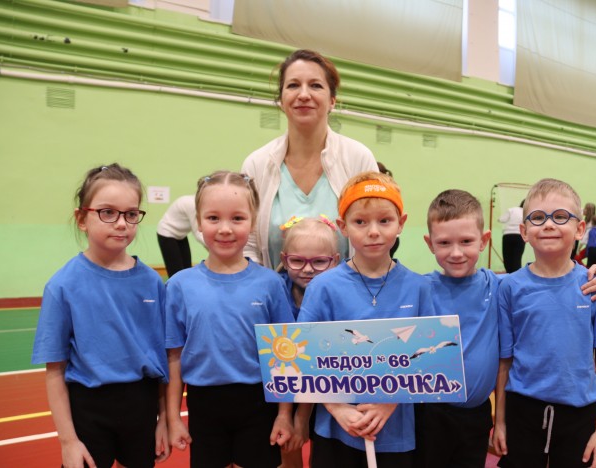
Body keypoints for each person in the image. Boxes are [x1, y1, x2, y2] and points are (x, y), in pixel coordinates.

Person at [418, 189, 596, 468]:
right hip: (433, 415)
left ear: (484, 241)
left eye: (466, 241)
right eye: (444, 242)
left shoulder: (500, 285)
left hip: (484, 416)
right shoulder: (422, 288)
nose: (456, 252)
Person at [31, 163, 169, 468]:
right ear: (82, 218)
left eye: (130, 214)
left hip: (141, 406)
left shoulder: (151, 282)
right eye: (108, 212)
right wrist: (68, 441)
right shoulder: (63, 285)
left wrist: (163, 419)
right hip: (88, 409)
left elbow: (161, 359)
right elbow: (54, 370)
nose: (121, 223)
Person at [297, 171, 435, 468]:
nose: (373, 231)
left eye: (384, 220)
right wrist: (337, 408)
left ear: (401, 223)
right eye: (360, 222)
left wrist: (389, 403)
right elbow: (302, 356)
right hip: (335, 431)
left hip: (396, 431)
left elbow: (429, 358)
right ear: (343, 227)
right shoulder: (322, 288)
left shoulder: (419, 288)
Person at [165, 171, 296, 468]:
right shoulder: (180, 286)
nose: (225, 229)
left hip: (258, 401)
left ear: (253, 221)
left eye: (237, 218)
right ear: (198, 221)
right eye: (213, 218)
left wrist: (284, 414)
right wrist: (173, 418)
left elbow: (284, 354)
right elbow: (174, 356)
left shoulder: (270, 284)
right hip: (203, 403)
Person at [493, 178, 596, 468]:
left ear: (580, 229)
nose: (548, 224)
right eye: (537, 218)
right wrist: (500, 421)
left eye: (560, 216)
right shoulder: (509, 287)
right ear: (524, 231)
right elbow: (505, 362)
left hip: (579, 412)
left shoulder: (595, 285)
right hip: (522, 410)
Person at [242, 49, 378, 269]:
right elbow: (248, 245)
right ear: (281, 99)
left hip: (347, 290)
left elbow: (375, 235)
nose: (304, 94)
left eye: (315, 85)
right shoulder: (256, 164)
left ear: (332, 100)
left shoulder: (358, 159)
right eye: (293, 85)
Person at [276, 215, 341, 468]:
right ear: (284, 259)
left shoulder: (335, 294)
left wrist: (302, 418)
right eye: (297, 260)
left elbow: (315, 361)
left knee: (323, 451)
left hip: (326, 389)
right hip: (284, 388)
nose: (307, 269)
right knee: (288, 447)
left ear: (335, 260)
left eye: (319, 262)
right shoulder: (276, 290)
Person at [157, 194, 206, 278]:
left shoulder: (202, 205)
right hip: (166, 233)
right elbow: (198, 233)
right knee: (176, 273)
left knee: (187, 269)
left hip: (181, 235)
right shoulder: (193, 205)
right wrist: (215, 250)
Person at [498, 200, 525, 273]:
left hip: (508, 235)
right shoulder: (527, 213)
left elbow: (502, 219)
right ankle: (516, 276)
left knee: (507, 257)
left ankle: (508, 274)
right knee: (517, 258)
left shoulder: (512, 210)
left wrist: (499, 219)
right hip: (520, 236)